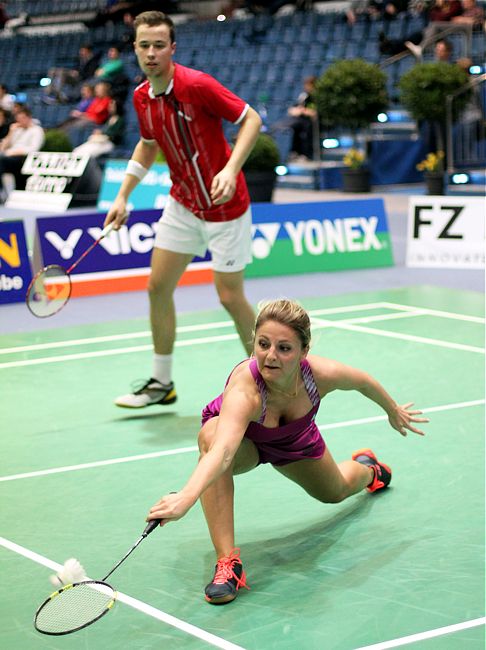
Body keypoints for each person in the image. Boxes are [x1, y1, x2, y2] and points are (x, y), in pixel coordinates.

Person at [145, 299, 429, 604]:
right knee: (212, 439)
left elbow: (363, 381)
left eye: (284, 348)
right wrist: (186, 496)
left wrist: (392, 410)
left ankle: (369, 468)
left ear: (304, 352)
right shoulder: (246, 390)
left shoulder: (321, 375)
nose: (270, 356)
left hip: (294, 440)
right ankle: (228, 564)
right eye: (263, 344)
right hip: (246, 444)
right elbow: (224, 451)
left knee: (335, 491)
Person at [105, 11, 262, 409]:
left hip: (226, 206)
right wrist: (123, 195)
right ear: (135, 49)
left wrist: (231, 169)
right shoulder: (142, 97)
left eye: (160, 45)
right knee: (158, 287)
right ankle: (161, 383)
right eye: (144, 45)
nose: (152, 53)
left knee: (229, 296)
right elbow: (147, 143)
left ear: (173, 48)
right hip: (183, 203)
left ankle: (268, 377)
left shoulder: (198, 85)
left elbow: (251, 120)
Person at [0, 106, 44, 201]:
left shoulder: (37, 130)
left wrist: (12, 152)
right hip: (8, 157)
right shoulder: (16, 130)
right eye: (18, 119)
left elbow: (33, 149)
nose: (20, 121)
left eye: (22, 118)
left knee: (1, 160)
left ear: (29, 117)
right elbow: (2, 148)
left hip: (24, 159)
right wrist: (10, 133)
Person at [271, 76, 318, 162]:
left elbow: (315, 112)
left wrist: (304, 111)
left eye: (308, 85)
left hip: (309, 122)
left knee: (302, 127)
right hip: (299, 120)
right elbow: (295, 107)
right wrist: (295, 110)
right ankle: (293, 152)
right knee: (289, 126)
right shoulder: (304, 96)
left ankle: (305, 154)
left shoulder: (317, 97)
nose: (306, 87)